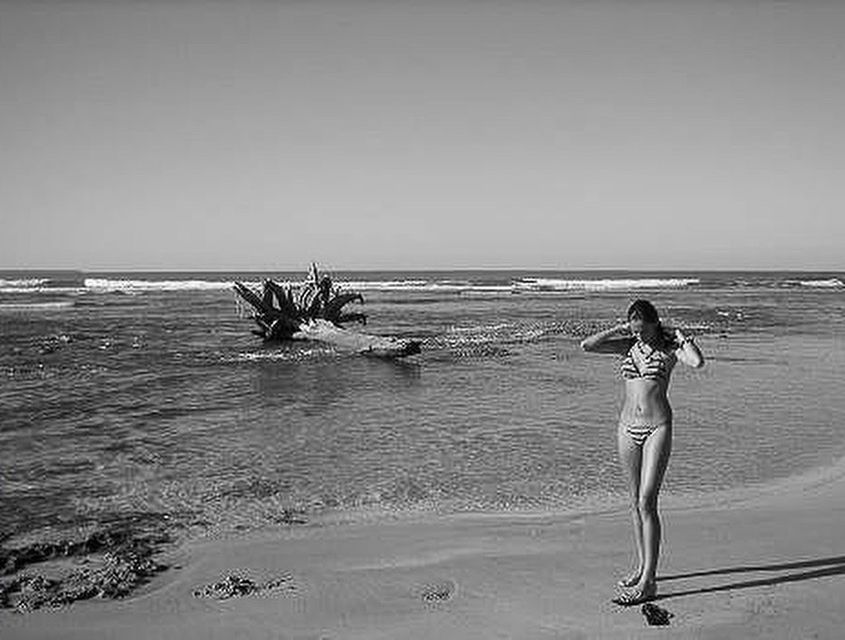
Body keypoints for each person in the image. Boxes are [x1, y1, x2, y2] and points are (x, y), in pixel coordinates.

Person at [580, 299, 704, 605]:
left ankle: (649, 582)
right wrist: (621, 328)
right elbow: (587, 345)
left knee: (647, 501)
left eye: (641, 325)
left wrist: (680, 336)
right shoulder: (627, 347)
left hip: (657, 428)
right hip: (626, 429)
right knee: (634, 503)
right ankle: (642, 567)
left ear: (653, 323)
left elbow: (697, 362)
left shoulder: (669, 350)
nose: (637, 332)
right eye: (633, 326)